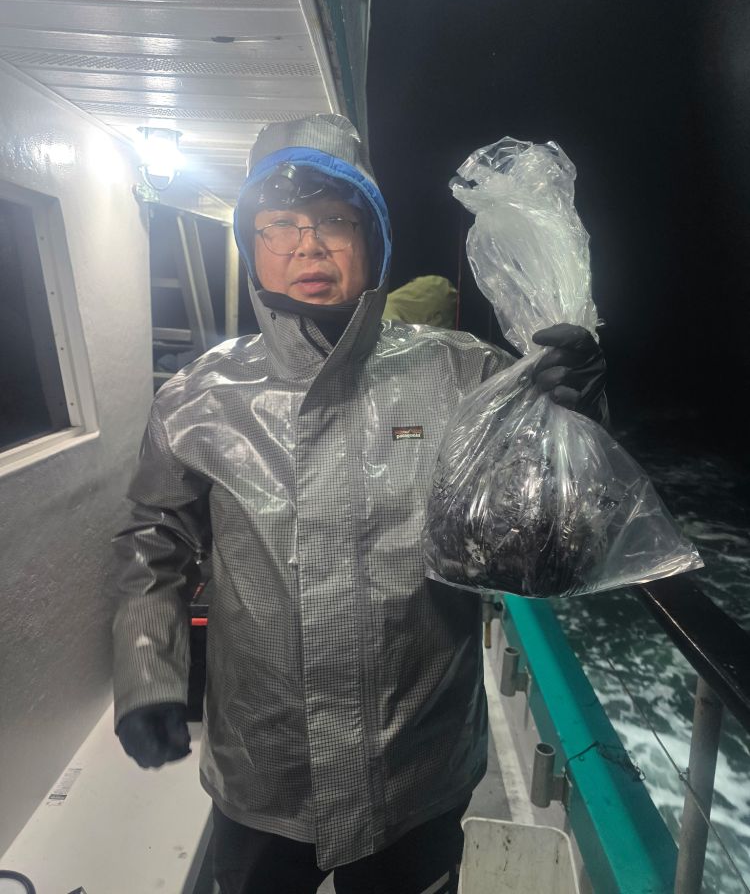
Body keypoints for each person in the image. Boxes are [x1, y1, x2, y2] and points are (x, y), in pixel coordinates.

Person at [112, 114, 606, 894]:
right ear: (252, 245)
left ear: (373, 239)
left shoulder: (464, 371)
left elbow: (552, 530)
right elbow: (153, 543)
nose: (307, 245)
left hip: (418, 769)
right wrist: (147, 674)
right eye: (277, 224)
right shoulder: (198, 395)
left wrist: (571, 409)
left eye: (335, 220)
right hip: (263, 769)